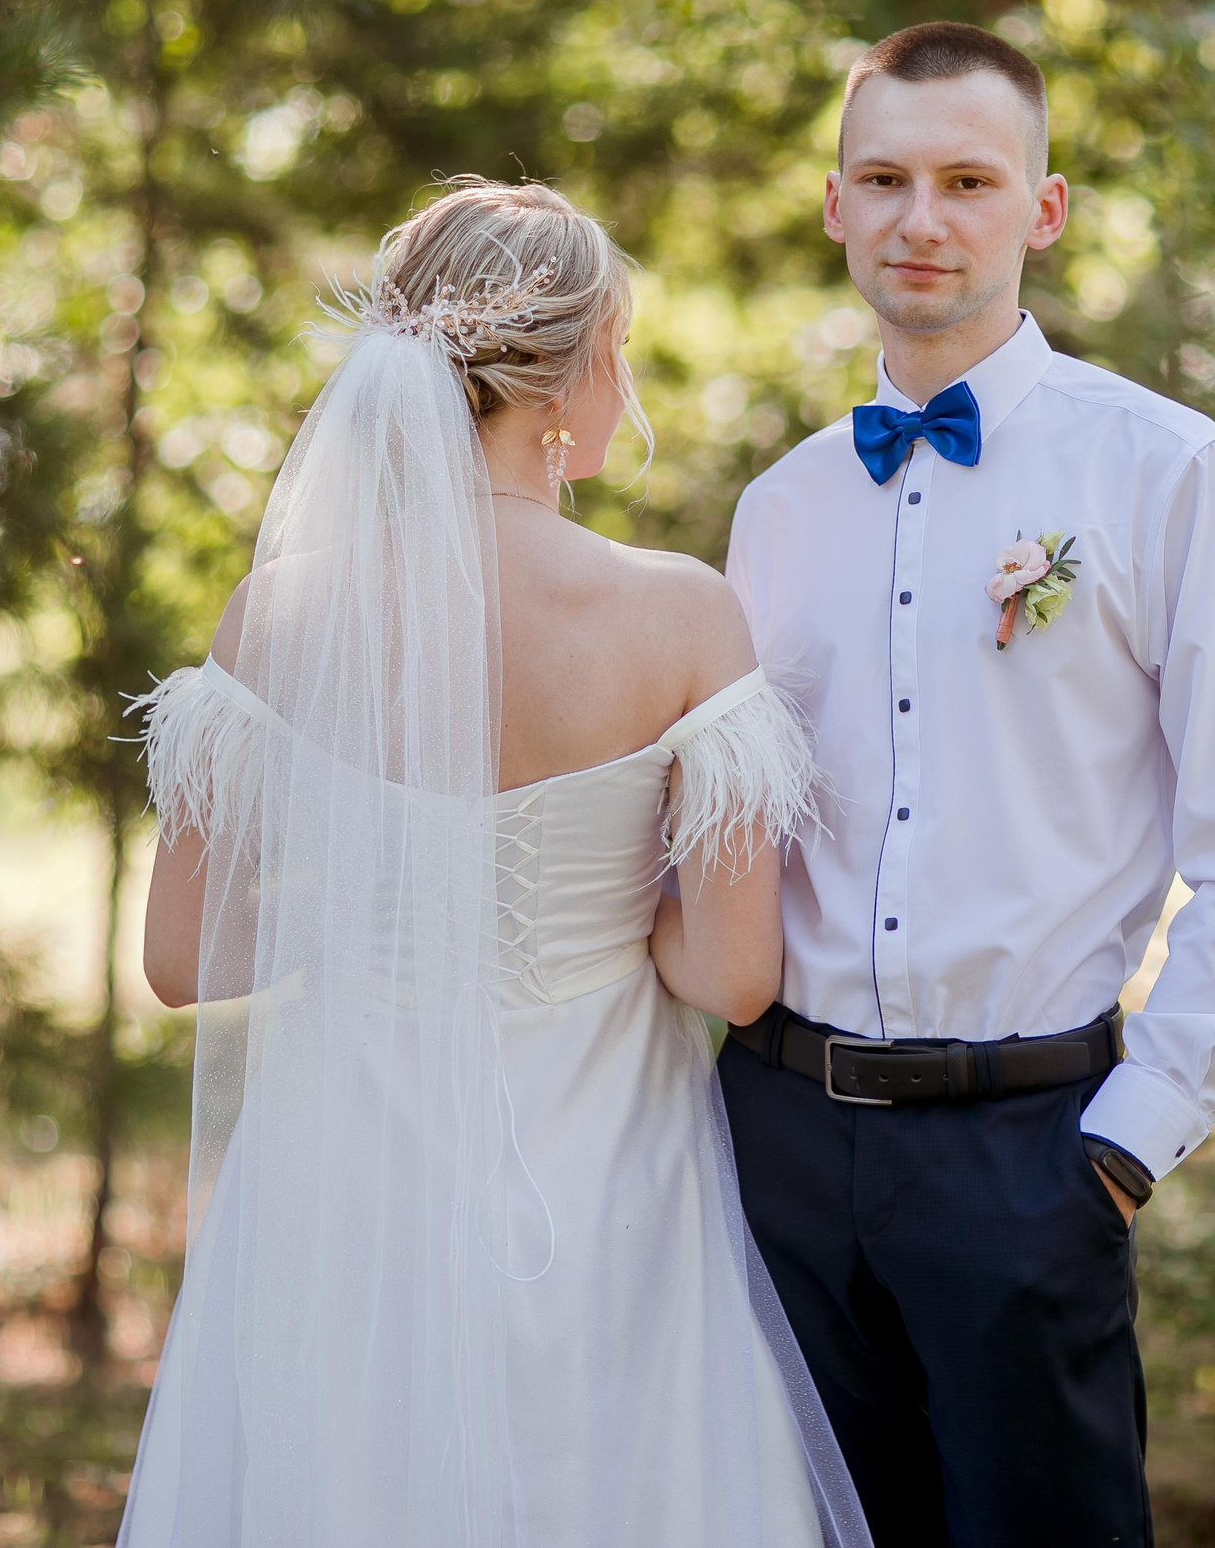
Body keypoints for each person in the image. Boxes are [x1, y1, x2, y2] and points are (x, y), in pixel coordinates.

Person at [115, 179, 869, 1548]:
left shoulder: (277, 616)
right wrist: (634, 933)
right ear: (570, 378)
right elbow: (740, 977)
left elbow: (182, 961)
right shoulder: (682, 615)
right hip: (606, 1165)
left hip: (344, 1163)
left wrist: (363, 921)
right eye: (618, 348)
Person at [721, 23, 1215, 1547]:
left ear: (1042, 211)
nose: (926, 219)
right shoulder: (778, 510)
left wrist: (1126, 1144)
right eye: (888, 179)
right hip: (779, 1147)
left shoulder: (1168, 472)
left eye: (970, 181)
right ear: (836, 202)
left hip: (1029, 1156)